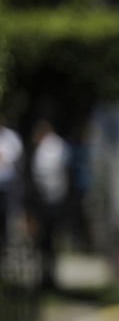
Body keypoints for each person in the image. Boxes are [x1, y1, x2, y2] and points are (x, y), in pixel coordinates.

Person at [29, 120, 70, 290]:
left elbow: (47, 172)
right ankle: (46, 277)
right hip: (48, 200)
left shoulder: (53, 147)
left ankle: (50, 278)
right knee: (45, 242)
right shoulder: (51, 147)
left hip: (53, 200)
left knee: (49, 241)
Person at [0, 114, 25, 260]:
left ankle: (5, 247)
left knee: (7, 217)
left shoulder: (11, 137)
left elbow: (17, 158)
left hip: (8, 185)